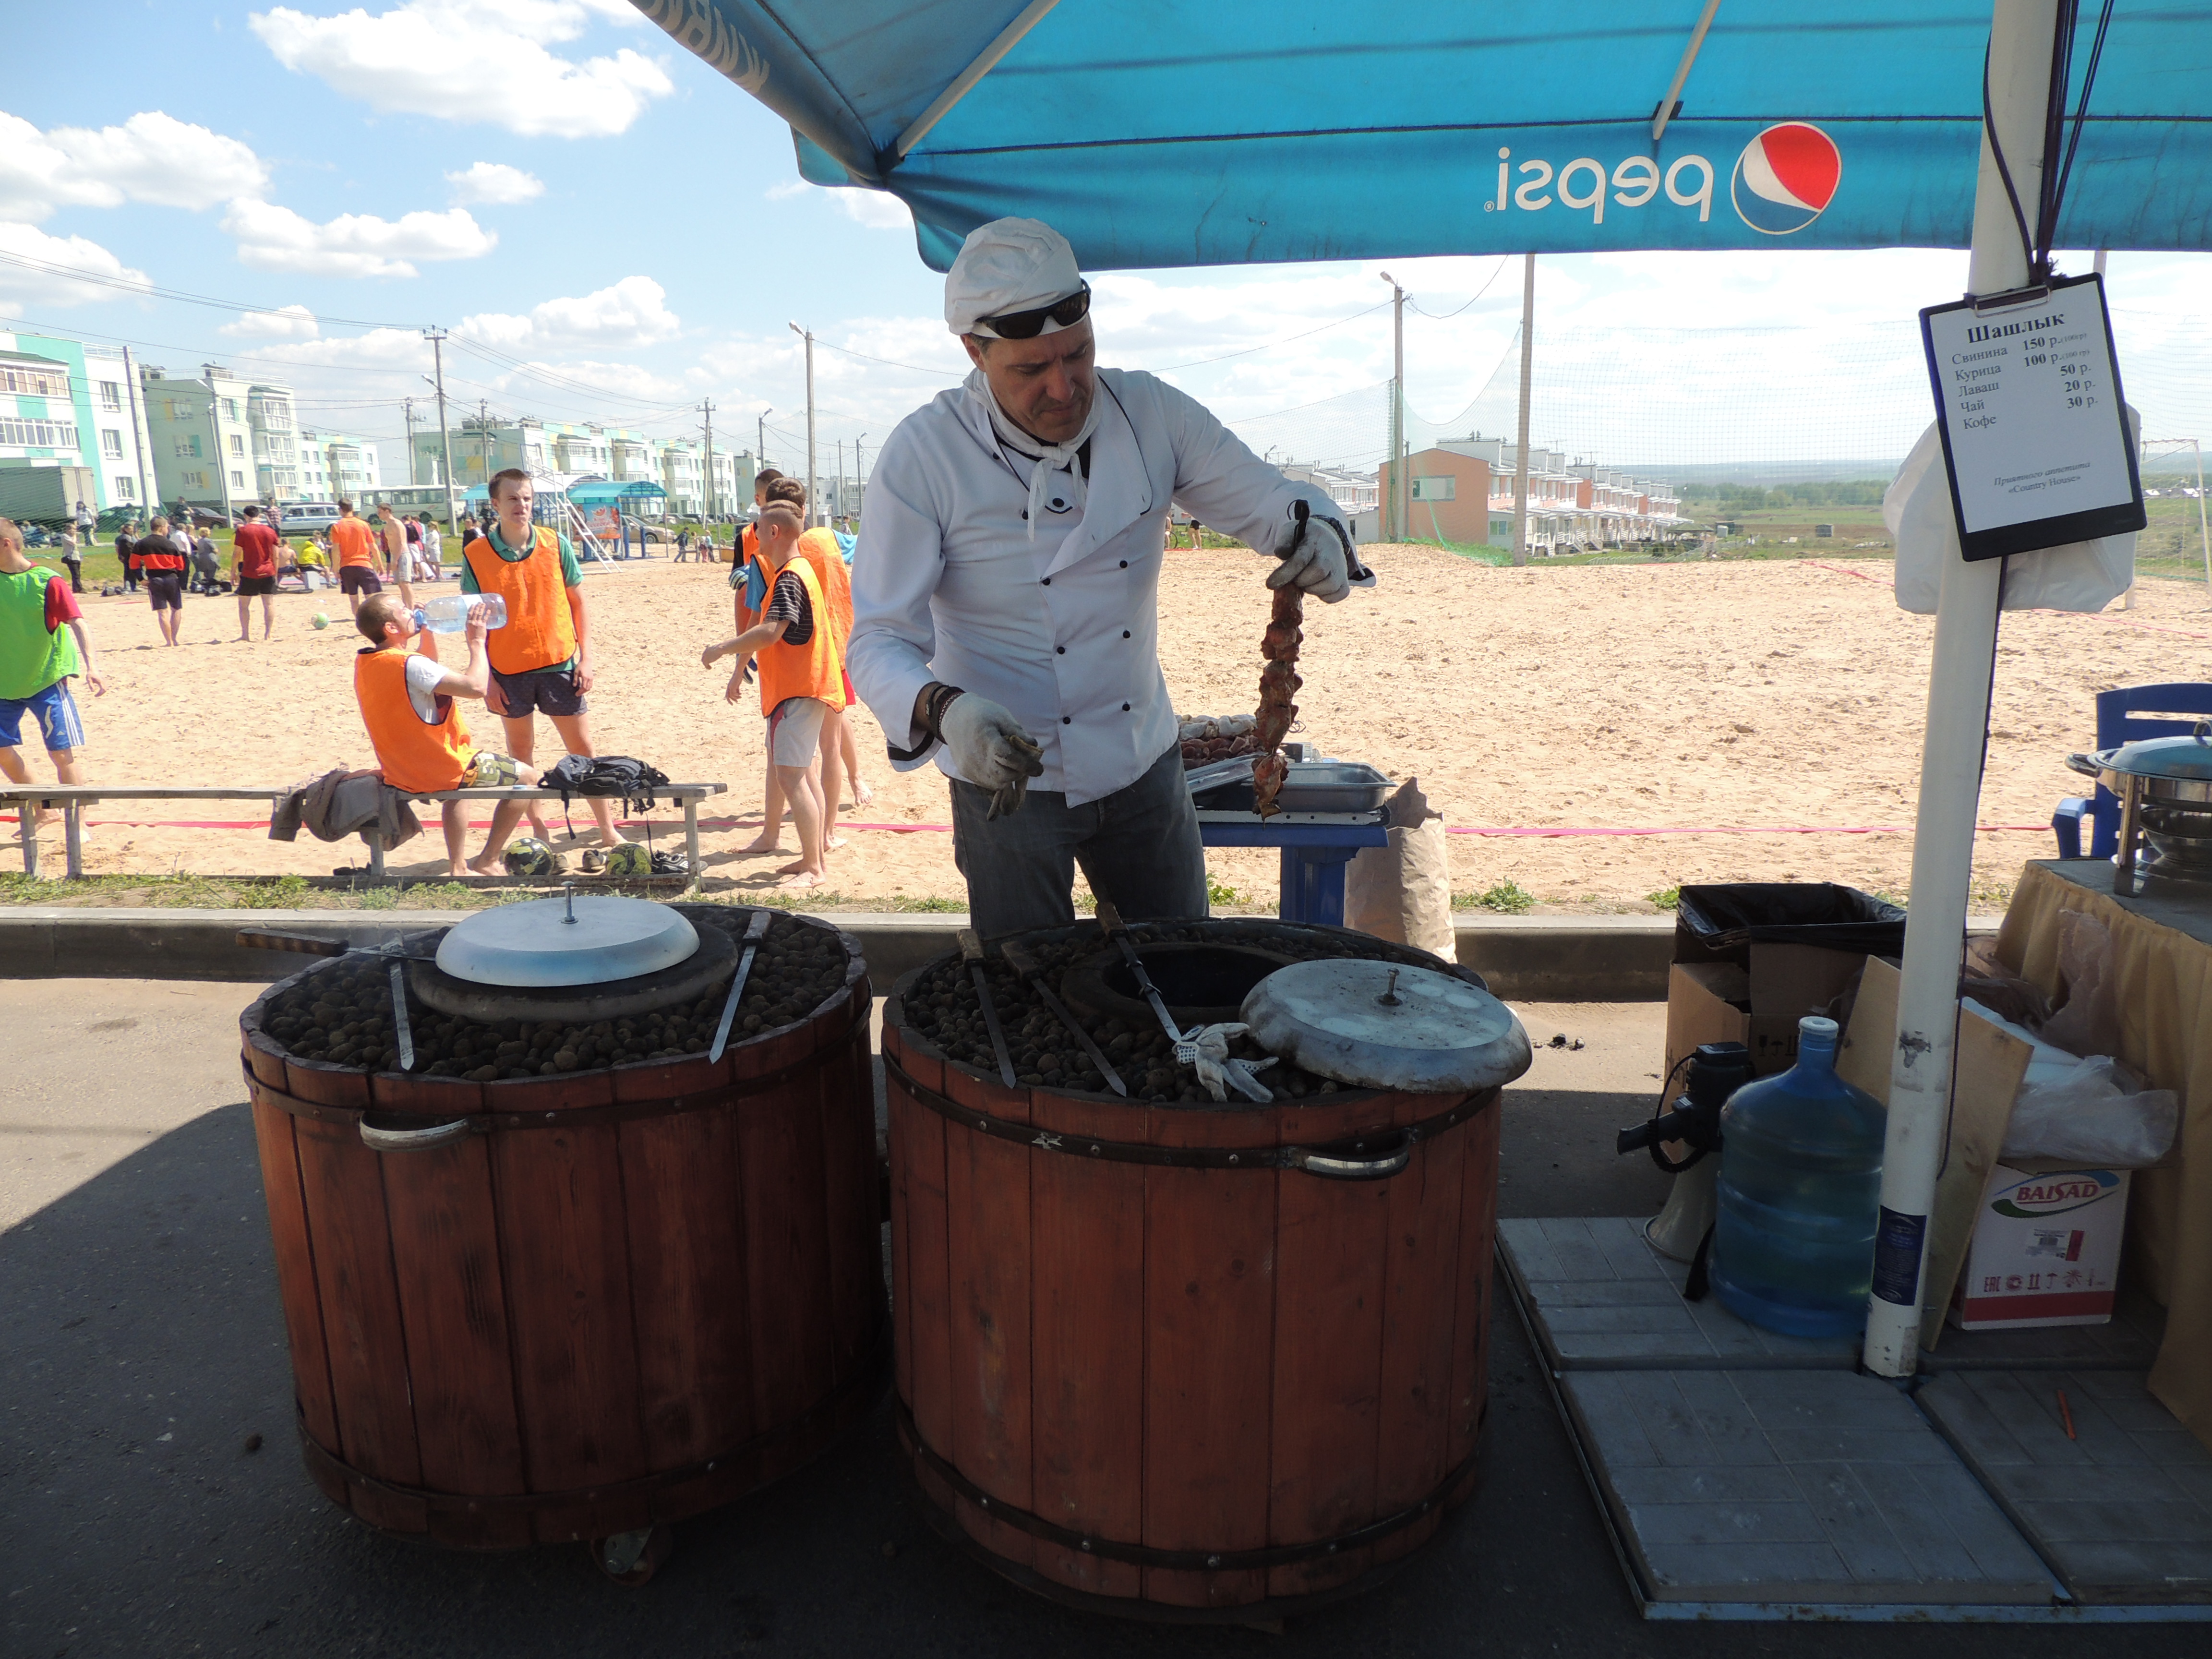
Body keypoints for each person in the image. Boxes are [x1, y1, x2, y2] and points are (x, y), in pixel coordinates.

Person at [847, 216, 1369, 938]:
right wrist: (944, 710)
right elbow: (876, 642)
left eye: (1079, 354)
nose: (1064, 388)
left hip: (1142, 763)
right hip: (1006, 780)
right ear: (974, 350)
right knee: (1030, 991)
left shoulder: (1151, 413)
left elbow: (1270, 498)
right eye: (1031, 369)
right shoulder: (924, 455)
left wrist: (1320, 532)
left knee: (1182, 962)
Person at [461, 469, 621, 856]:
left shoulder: (555, 543)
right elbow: (474, 621)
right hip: (508, 670)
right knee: (521, 756)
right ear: (496, 504)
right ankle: (539, 827)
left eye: (528, 498)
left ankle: (608, 829)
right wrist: (489, 679)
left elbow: (579, 602)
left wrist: (587, 659)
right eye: (513, 498)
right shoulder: (476, 554)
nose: (522, 505)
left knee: (582, 751)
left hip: (560, 663)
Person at [701, 503, 844, 889]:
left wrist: (721, 649)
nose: (756, 538)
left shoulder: (789, 577)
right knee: (801, 775)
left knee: (791, 777)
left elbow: (769, 632)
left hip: (799, 689)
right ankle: (811, 858)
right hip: (804, 687)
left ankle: (814, 868)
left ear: (776, 533)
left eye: (760, 531)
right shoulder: (795, 572)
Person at [350, 591, 539, 877]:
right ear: (391, 628)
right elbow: (476, 688)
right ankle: (487, 859)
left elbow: (423, 669)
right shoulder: (408, 664)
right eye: (404, 611)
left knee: (459, 790)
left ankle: (457, 866)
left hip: (401, 769)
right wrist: (477, 643)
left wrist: (426, 632)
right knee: (528, 779)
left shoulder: (371, 662)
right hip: (441, 765)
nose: (412, 612)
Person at [0, 517, 106, 835]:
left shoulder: (47, 581)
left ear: (5, 544)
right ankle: (42, 809)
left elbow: (78, 622)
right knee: (3, 753)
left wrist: (92, 666)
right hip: (5, 683)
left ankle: (78, 825)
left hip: (46, 678)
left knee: (61, 753)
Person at [231, 504, 281, 641]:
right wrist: (275, 573)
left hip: (249, 571)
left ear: (246, 516)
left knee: (244, 606)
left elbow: (237, 554)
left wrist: (233, 572)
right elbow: (276, 555)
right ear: (259, 516)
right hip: (268, 570)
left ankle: (246, 635)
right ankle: (268, 634)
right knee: (269, 604)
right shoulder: (270, 531)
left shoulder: (243, 531)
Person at [137, 514, 188, 645]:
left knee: (162, 612)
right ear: (161, 528)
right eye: (167, 527)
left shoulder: (142, 544)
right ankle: (174, 638)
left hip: (154, 579)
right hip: (171, 578)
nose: (168, 529)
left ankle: (169, 640)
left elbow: (133, 564)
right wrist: (179, 578)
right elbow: (181, 565)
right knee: (176, 609)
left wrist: (140, 579)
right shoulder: (171, 544)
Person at [329, 499, 384, 618]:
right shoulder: (363, 524)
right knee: (370, 598)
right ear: (352, 509)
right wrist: (380, 563)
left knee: (354, 600)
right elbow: (373, 545)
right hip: (364, 564)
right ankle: (371, 621)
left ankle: (360, 620)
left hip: (347, 566)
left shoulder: (337, 526)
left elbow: (336, 550)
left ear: (340, 510)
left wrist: (336, 568)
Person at [372, 502, 418, 612]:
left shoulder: (397, 524)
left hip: (402, 555)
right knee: (400, 584)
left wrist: (396, 560)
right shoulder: (387, 526)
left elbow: (402, 543)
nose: (379, 515)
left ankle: (411, 608)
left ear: (387, 511)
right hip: (394, 555)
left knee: (406, 583)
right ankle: (406, 606)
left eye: (380, 512)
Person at [190, 525, 223, 595]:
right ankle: (212, 590)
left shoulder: (200, 541)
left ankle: (207, 587)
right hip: (210, 558)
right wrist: (217, 551)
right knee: (211, 574)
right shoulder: (209, 541)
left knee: (206, 574)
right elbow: (215, 550)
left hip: (202, 558)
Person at [114, 520, 139, 596]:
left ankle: (134, 586)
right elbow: (118, 548)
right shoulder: (122, 538)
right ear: (125, 530)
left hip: (134, 556)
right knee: (128, 571)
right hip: (127, 557)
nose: (131, 530)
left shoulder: (132, 537)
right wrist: (120, 556)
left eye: (132, 529)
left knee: (134, 571)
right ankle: (128, 587)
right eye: (130, 529)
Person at [58, 525, 84, 595]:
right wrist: (75, 535)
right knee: (76, 574)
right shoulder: (64, 536)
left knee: (78, 574)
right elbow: (73, 543)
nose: (75, 531)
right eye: (74, 529)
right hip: (71, 558)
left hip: (76, 557)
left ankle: (76, 588)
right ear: (69, 529)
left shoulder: (72, 537)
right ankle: (79, 588)